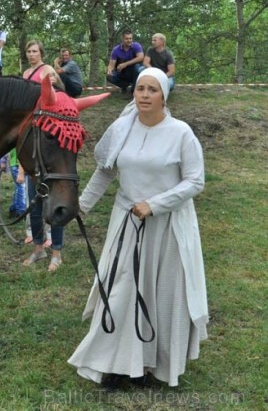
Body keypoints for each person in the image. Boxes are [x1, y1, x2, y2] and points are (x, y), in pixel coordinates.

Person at [68, 67, 207, 388]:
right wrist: (82, 205)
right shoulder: (122, 129)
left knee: (160, 294)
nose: (144, 95)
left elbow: (195, 181)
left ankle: (151, 365)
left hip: (168, 228)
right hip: (127, 220)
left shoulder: (181, 133)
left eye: (152, 90)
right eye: (140, 89)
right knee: (121, 289)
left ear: (164, 96)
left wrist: (155, 205)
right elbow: (105, 171)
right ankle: (114, 364)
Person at [20, 40, 63, 271]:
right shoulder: (26, 73)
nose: (31, 54)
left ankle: (56, 252)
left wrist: (56, 83)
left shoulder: (48, 70)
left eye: (35, 50)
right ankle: (38, 248)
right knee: (34, 202)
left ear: (41, 53)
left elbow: (63, 93)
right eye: (28, 51)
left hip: (48, 131)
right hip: (31, 133)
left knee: (53, 203)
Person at [106, 29, 144, 94]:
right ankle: (124, 86)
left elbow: (141, 57)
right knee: (110, 76)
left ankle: (134, 90)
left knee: (137, 67)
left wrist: (125, 64)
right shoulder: (116, 50)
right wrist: (109, 70)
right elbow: (111, 65)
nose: (129, 40)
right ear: (122, 39)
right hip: (122, 72)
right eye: (127, 39)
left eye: (130, 38)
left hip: (134, 72)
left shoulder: (136, 46)